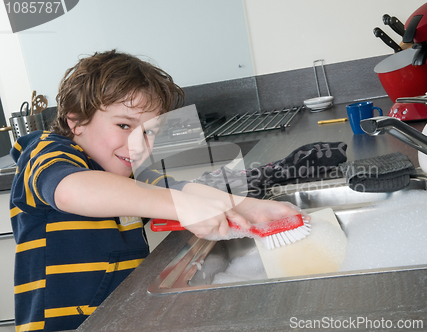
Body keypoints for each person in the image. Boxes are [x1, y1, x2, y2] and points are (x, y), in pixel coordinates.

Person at [10, 50, 300, 332]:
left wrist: (247, 206)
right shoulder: (46, 152)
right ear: (76, 122)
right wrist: (181, 206)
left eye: (149, 132)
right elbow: (72, 189)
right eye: (124, 125)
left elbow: (175, 188)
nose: (140, 145)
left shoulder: (124, 173)